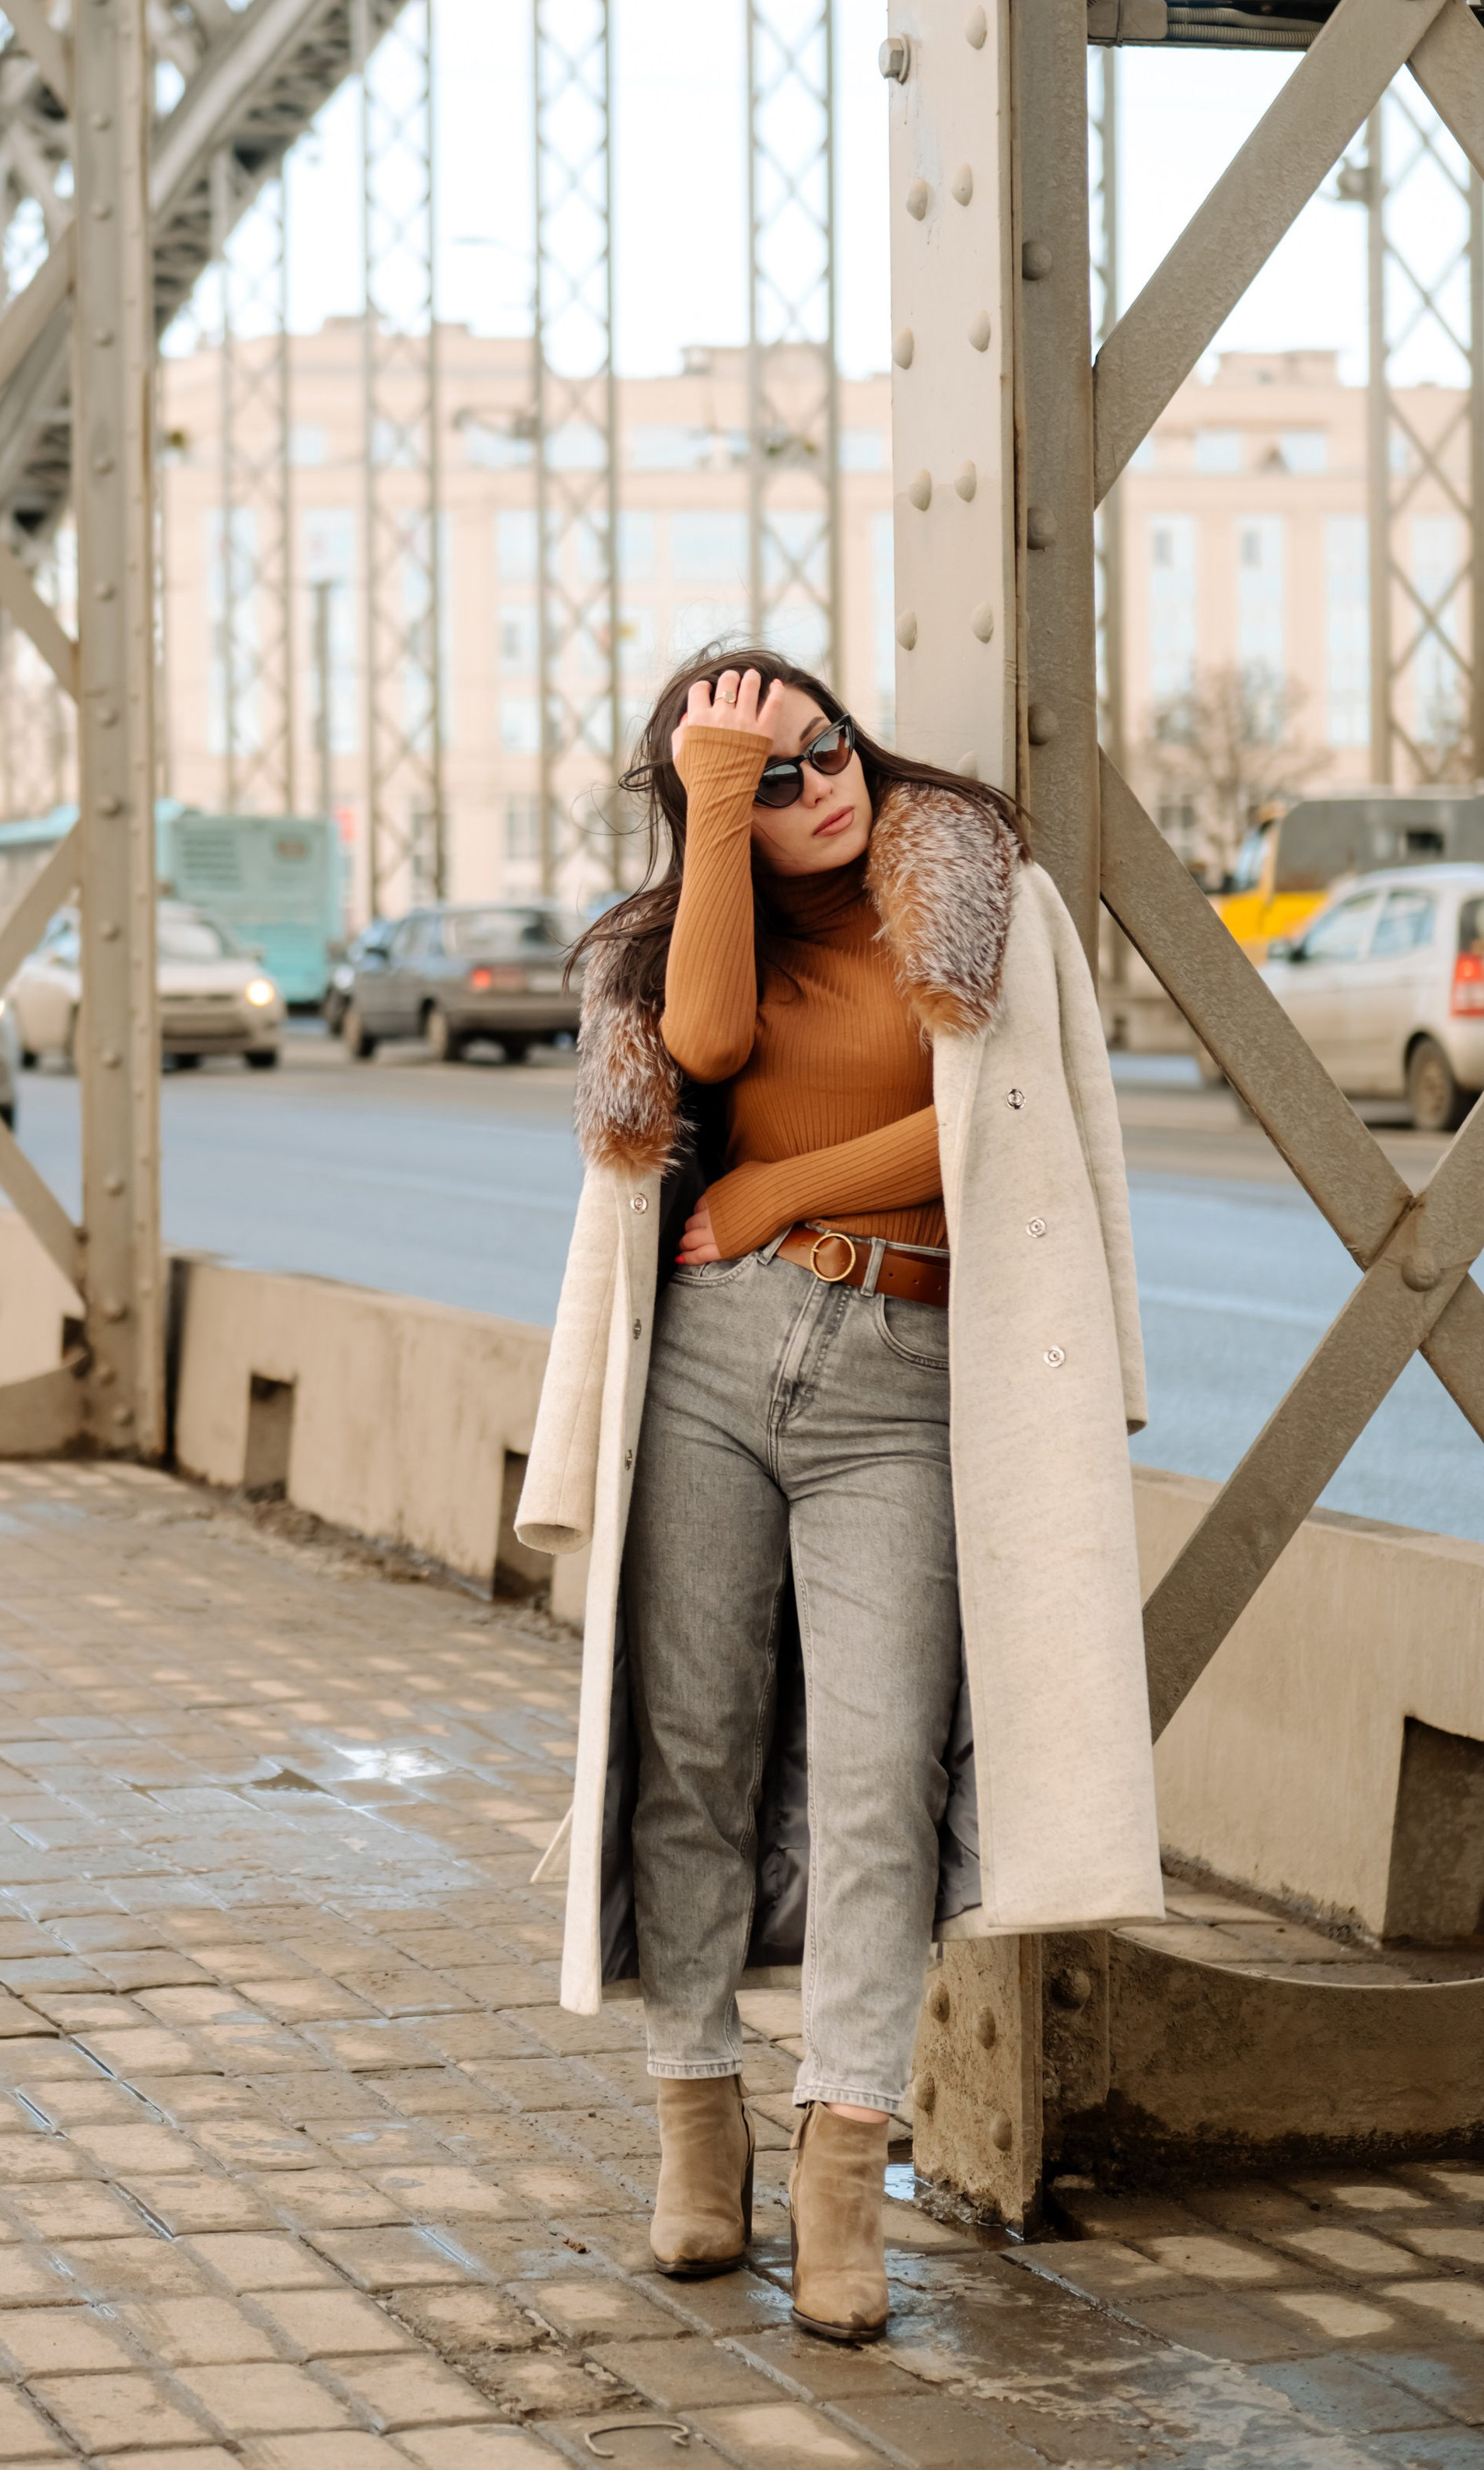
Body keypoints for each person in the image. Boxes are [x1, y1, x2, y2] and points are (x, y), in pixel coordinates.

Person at [514, 650, 1161, 2342]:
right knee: (693, 1752)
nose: (820, 787)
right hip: (712, 1368)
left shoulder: (976, 899)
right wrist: (715, 803)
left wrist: (783, 1176)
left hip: (901, 1373)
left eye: (822, 750)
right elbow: (708, 1039)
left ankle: (838, 2156)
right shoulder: (671, 942)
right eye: (767, 777)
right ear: (707, 806)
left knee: (877, 1778)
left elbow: (991, 1129)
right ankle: (694, 2114)